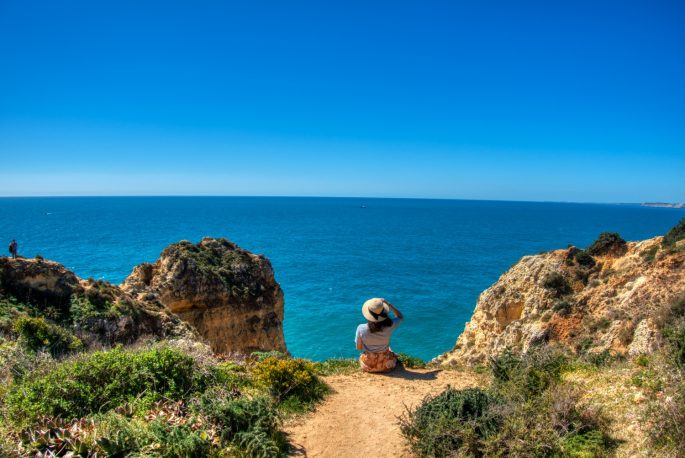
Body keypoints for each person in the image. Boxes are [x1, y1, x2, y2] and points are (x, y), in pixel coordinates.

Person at [355, 297, 404, 373]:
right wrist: (389, 304)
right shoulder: (390, 326)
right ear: (384, 312)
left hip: (368, 366)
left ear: (368, 314)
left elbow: (359, 347)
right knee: (390, 350)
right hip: (386, 366)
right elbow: (400, 316)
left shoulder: (361, 328)